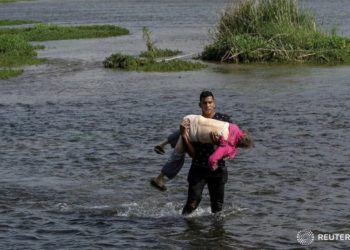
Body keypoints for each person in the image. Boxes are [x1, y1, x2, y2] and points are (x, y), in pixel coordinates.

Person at [150, 90, 229, 191]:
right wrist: (184, 135)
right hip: (199, 163)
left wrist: (218, 142)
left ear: (214, 104)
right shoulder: (197, 119)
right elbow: (193, 154)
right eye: (205, 103)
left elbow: (230, 140)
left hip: (217, 165)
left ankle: (162, 148)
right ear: (199, 105)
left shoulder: (222, 119)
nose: (208, 105)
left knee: (185, 136)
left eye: (210, 102)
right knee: (184, 133)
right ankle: (160, 175)